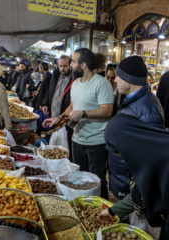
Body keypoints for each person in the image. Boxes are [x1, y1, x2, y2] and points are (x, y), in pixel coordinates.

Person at [43, 49, 113, 199]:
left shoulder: (102, 84)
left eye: (73, 61)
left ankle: (103, 213)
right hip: (77, 140)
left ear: (83, 65)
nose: (70, 65)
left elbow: (107, 110)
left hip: (96, 142)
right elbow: (72, 107)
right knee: (80, 179)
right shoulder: (75, 83)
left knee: (97, 181)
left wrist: (83, 113)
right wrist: (58, 118)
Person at [108, 55, 164, 200]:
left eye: (118, 76)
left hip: (132, 188)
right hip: (124, 181)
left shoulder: (147, 109)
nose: (115, 80)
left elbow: (148, 157)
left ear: (129, 79)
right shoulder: (135, 100)